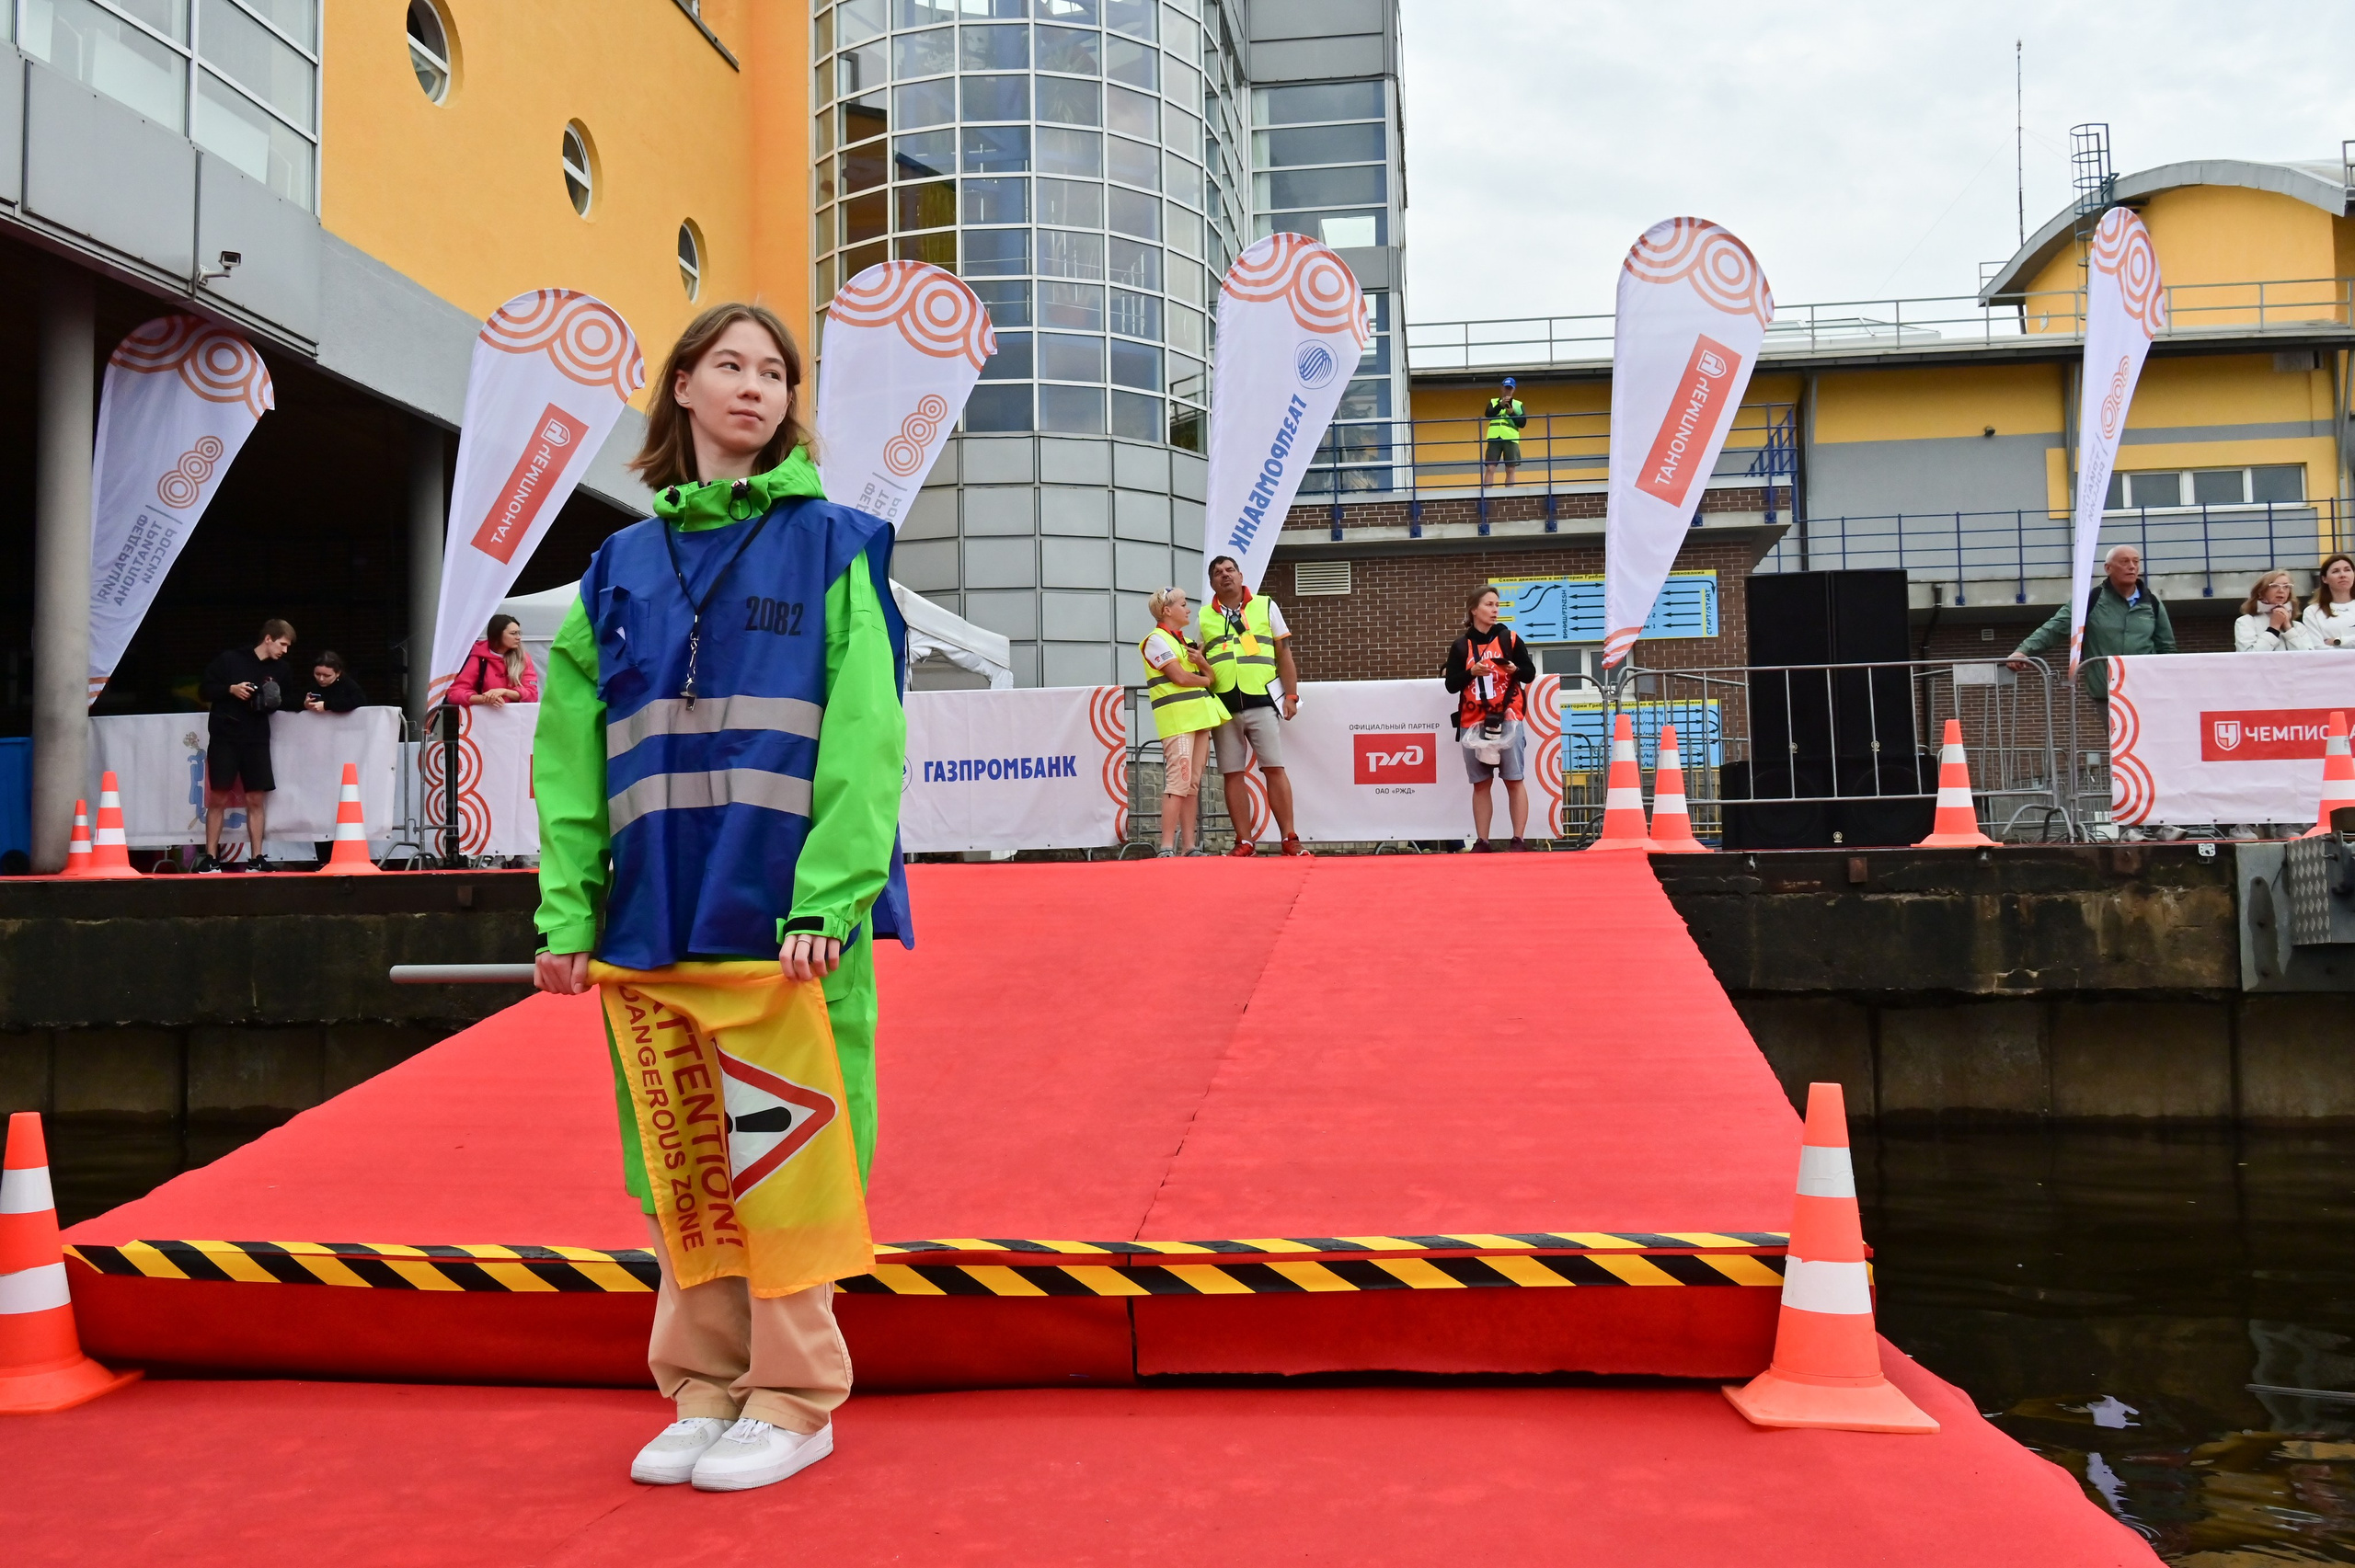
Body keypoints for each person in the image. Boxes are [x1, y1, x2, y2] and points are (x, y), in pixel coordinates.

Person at [531, 303, 910, 1494]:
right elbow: (570, 758)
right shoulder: (617, 567)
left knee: (787, 1144)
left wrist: (831, 899)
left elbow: (865, 736)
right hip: (655, 911)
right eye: (729, 366)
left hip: (785, 916)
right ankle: (702, 1386)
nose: (754, 387)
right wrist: (568, 913)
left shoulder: (837, 539)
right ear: (682, 388)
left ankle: (796, 1396)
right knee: (682, 1149)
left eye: (773, 372)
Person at [2010, 544, 2178, 840]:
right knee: (2125, 756)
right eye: (2124, 561)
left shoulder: (2152, 602)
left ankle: (2161, 822)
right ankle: (2131, 827)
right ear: (2108, 568)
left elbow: (2166, 646)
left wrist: (2167, 684)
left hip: (2147, 692)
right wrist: (2024, 651)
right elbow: (2056, 627)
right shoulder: (2092, 601)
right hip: (2109, 693)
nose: (2132, 566)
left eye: (2136, 561)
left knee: (2152, 755)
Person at [1200, 554, 1309, 856]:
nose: (1225, 575)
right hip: (1224, 706)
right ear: (1211, 583)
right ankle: (1244, 841)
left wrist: (1291, 695)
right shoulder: (1203, 616)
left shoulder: (1266, 605)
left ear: (1240, 575)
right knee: (1232, 773)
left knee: (1274, 767)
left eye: (1230, 570)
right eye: (1219, 572)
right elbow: (1196, 660)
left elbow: (1284, 654)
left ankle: (1290, 837)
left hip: (1262, 701)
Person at [1444, 587, 1539, 851]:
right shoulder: (1461, 645)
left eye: (1497, 605)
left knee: (1514, 779)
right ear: (1474, 610)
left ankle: (1518, 839)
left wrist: (1515, 669)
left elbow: (1529, 673)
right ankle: (1482, 841)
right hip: (1473, 721)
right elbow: (1451, 685)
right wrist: (1470, 672)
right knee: (1481, 783)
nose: (1495, 610)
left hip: (1508, 717)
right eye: (1489, 605)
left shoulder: (1510, 639)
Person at [197, 619, 294, 872]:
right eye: (283, 644)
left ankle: (257, 857)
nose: (285, 651)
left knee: (255, 798)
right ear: (268, 639)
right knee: (218, 796)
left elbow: (290, 700)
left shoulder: (282, 669)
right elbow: (204, 690)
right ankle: (211, 857)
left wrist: (278, 700)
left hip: (256, 738)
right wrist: (232, 689)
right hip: (225, 736)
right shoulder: (231, 660)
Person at [1138, 586, 1223, 856]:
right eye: (1184, 604)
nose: (1188, 609)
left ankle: (1189, 846)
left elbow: (1208, 676)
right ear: (1167, 610)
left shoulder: (1181, 641)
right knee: (1179, 780)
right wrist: (1206, 678)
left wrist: (1204, 668)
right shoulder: (1155, 639)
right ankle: (1165, 847)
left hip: (1198, 716)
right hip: (1177, 719)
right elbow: (1180, 677)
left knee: (1192, 784)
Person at [445, 613, 542, 707]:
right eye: (513, 633)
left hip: (516, 720)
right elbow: (454, 694)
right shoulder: (479, 658)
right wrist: (485, 699)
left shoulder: (523, 658)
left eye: (519, 633)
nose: (518, 637)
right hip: (486, 720)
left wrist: (504, 691)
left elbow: (532, 695)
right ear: (497, 635)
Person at [2236, 571, 2324, 653]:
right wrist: (2273, 629)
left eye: (2286, 586)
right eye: (2274, 586)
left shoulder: (2298, 627)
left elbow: (2308, 658)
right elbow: (2248, 657)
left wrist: (2288, 629)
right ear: (2261, 592)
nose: (2281, 590)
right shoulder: (2246, 622)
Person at [1482, 376, 1526, 487]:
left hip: (1511, 438)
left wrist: (1511, 413)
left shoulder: (1518, 404)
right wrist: (1500, 405)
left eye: (1510, 388)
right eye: (1506, 388)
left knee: (1510, 468)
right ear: (1501, 388)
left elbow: (1522, 423)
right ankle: (1487, 494)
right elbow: (1488, 414)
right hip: (1494, 437)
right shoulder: (1493, 401)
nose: (1507, 390)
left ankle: (1509, 496)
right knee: (1490, 467)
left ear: (1514, 390)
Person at [2304, 554, 2355, 647]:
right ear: (2324, 579)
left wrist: (2339, 641)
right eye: (2335, 571)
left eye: (2347, 570)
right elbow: (2318, 648)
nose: (2343, 575)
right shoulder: (2312, 612)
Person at [298, 650, 369, 714]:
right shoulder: (311, 684)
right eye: (317, 674)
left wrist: (326, 706)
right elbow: (291, 701)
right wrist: (304, 704)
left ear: (338, 673)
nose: (321, 679)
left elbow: (359, 701)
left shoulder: (347, 684)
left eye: (327, 676)